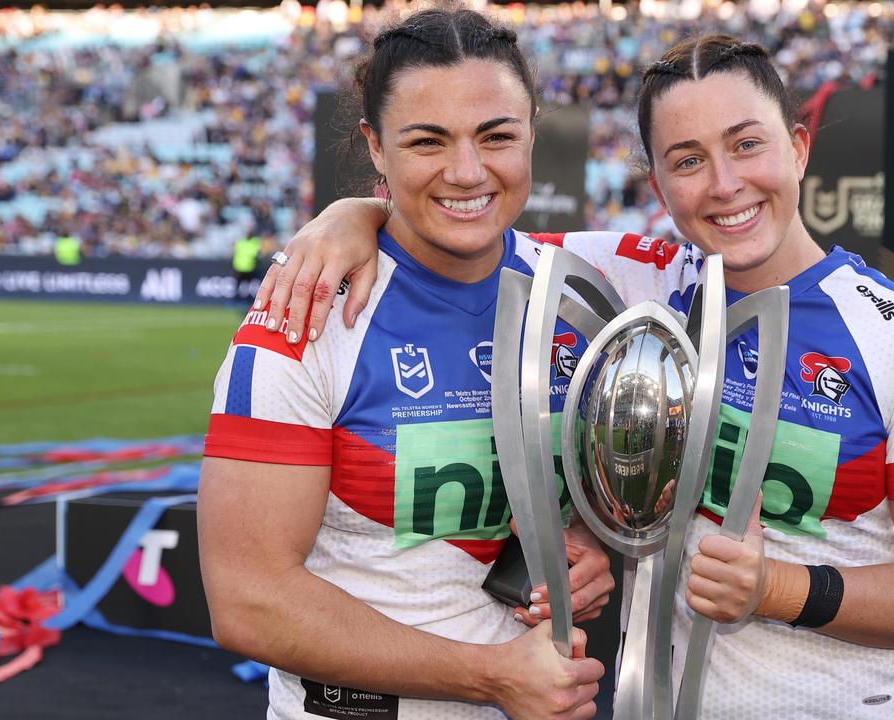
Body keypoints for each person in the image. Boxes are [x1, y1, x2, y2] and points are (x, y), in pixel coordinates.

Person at [257, 32, 894, 720]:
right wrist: (352, 215)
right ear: (658, 182)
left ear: (798, 148)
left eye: (747, 145)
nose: (726, 184)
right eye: (687, 159)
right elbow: (459, 223)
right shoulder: (636, 283)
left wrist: (778, 590)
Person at [198, 10, 614, 720]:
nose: (468, 171)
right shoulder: (303, 315)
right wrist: (491, 677)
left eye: (497, 136)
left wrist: (587, 545)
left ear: (532, 133)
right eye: (427, 141)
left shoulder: (585, 292)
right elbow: (249, 601)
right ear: (376, 148)